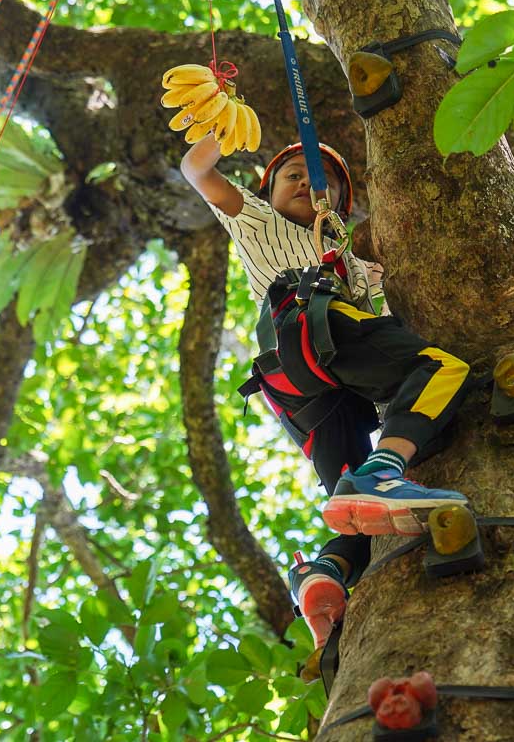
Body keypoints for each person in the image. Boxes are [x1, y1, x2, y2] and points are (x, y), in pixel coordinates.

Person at [181, 132, 471, 660]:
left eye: (324, 182)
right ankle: (385, 471)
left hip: (306, 391)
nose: (308, 184)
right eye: (291, 176)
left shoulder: (350, 259)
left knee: (352, 506)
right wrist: (217, 132)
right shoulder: (255, 220)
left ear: (337, 203)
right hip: (310, 330)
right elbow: (197, 171)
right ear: (266, 192)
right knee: (439, 368)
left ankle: (325, 576)